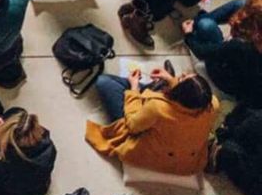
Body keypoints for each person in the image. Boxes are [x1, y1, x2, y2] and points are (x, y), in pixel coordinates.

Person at [85, 68, 218, 175]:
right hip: (187, 164)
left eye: (182, 78)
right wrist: (170, 79)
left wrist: (134, 88)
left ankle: (152, 87)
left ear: (178, 94)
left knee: (104, 81)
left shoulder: (158, 108)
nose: (182, 73)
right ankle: (158, 85)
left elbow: (132, 126)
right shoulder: (213, 103)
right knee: (149, 90)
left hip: (153, 157)